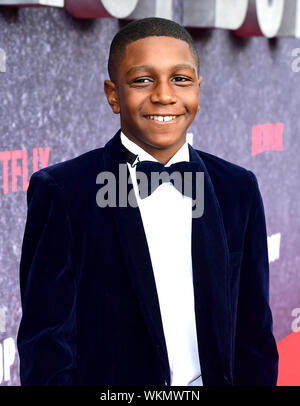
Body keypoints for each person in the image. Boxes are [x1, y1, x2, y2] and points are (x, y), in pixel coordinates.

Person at [17, 17, 278, 386]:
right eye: (142, 80)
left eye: (180, 79)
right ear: (113, 94)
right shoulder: (63, 191)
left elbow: (254, 331)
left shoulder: (237, 188)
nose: (164, 95)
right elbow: (47, 346)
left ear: (198, 90)